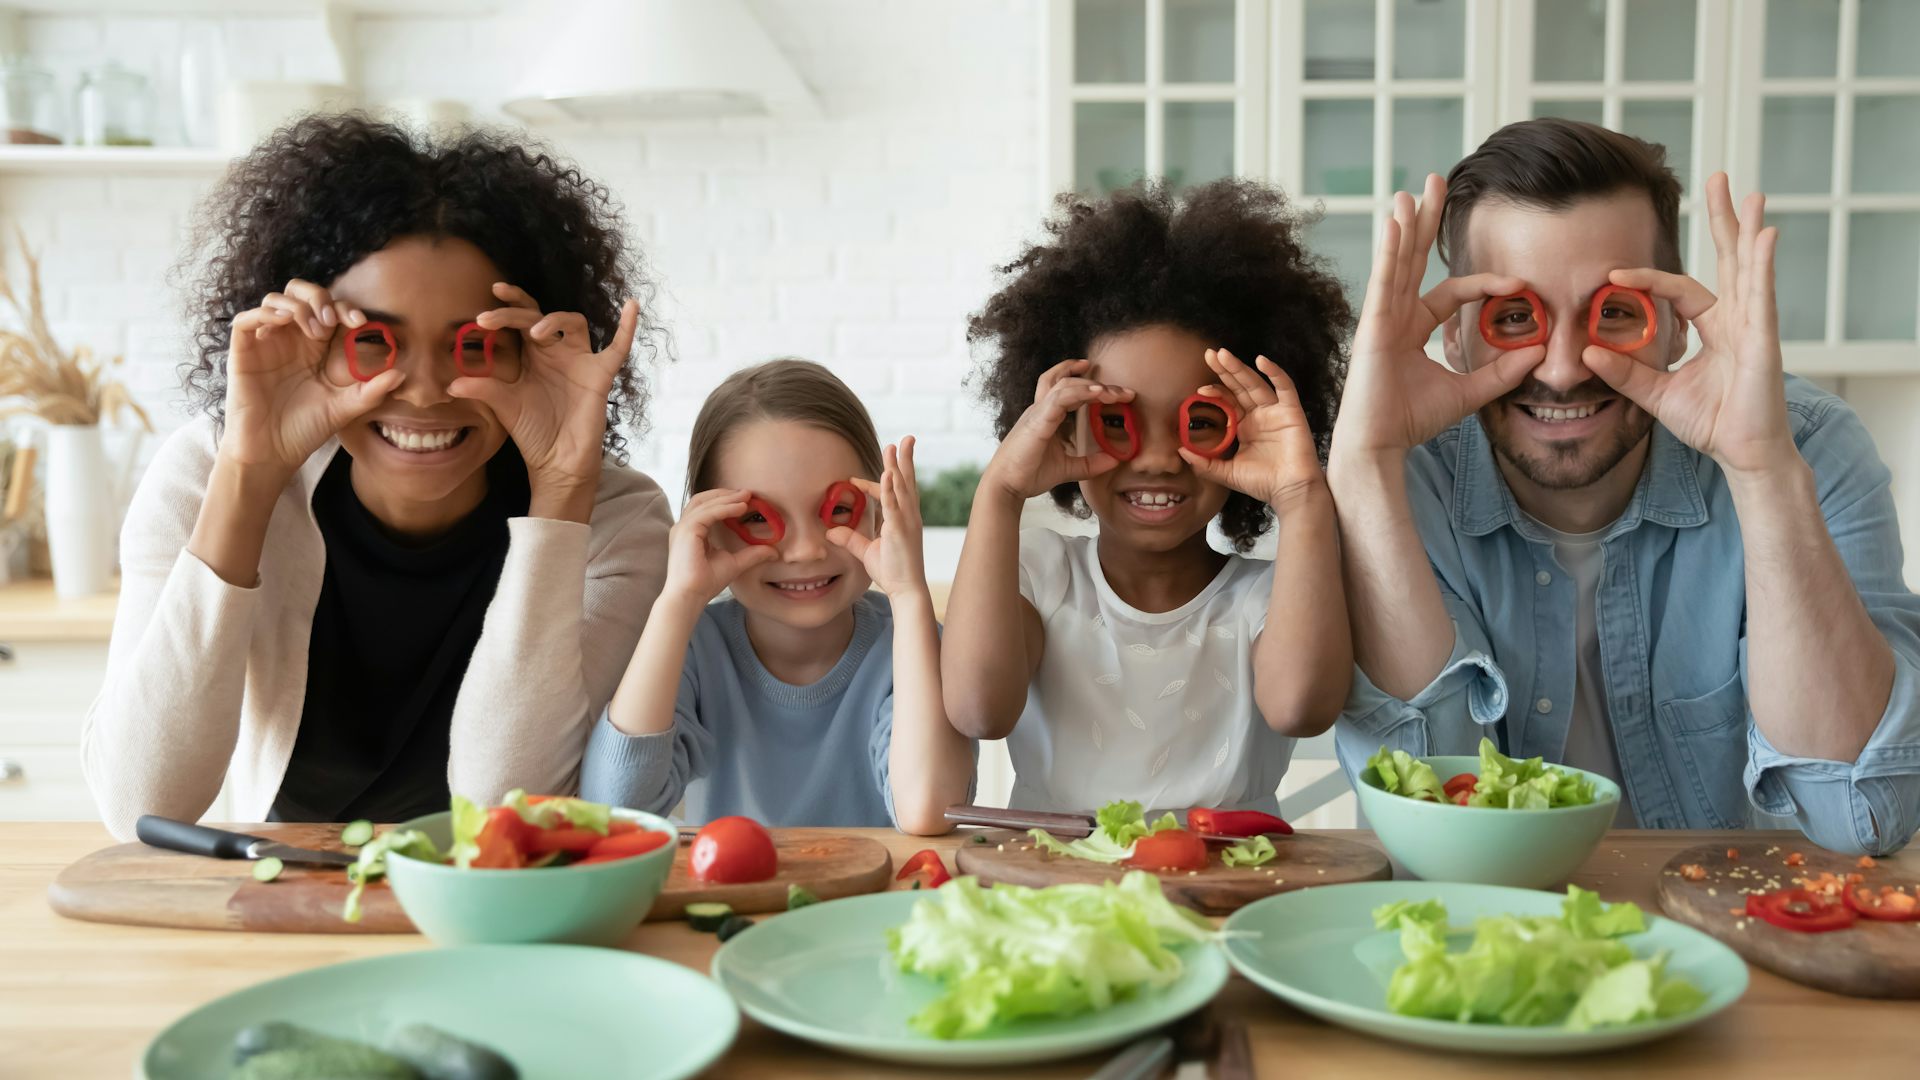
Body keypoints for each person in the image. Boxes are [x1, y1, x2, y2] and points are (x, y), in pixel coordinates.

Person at [1330, 118, 1920, 854]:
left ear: (1676, 328)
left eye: (1614, 313)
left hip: (1730, 942)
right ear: (1456, 337)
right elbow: (1430, 825)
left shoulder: (1804, 448)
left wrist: (1761, 471)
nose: (1563, 367)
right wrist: (1363, 464)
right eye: (1518, 318)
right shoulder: (1397, 472)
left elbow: (1862, 817)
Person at [83, 114, 672, 838]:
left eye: (475, 344)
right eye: (373, 341)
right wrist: (249, 474)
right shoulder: (207, 474)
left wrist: (560, 493)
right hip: (278, 893)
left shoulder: (615, 520)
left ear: (533, 350)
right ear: (313, 344)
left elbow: (503, 810)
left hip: (495, 908)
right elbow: (140, 805)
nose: (425, 390)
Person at [943, 178, 1354, 814]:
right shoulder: (1039, 575)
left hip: (1226, 898)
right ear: (1061, 424)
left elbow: (1301, 707)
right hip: (1058, 898)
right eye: (1117, 421)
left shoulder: (1267, 597)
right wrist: (999, 492)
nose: (1159, 459)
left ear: (1246, 432)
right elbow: (978, 710)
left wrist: (1302, 496)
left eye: (1200, 422)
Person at [580, 360, 974, 834]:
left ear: (878, 513)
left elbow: (929, 808)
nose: (807, 550)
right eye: (758, 518)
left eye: (838, 510)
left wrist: (909, 594)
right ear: (710, 530)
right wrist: (677, 601)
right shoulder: (694, 649)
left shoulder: (914, 647)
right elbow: (611, 812)